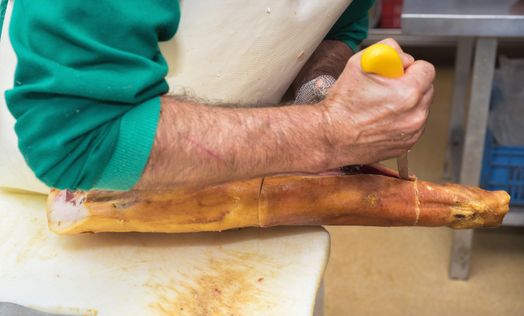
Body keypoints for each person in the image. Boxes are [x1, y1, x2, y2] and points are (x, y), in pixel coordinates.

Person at [3, 0, 434, 191]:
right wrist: (330, 131)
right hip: (43, 204)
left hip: (244, 185)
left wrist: (317, 90)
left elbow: (336, 28)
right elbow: (78, 138)